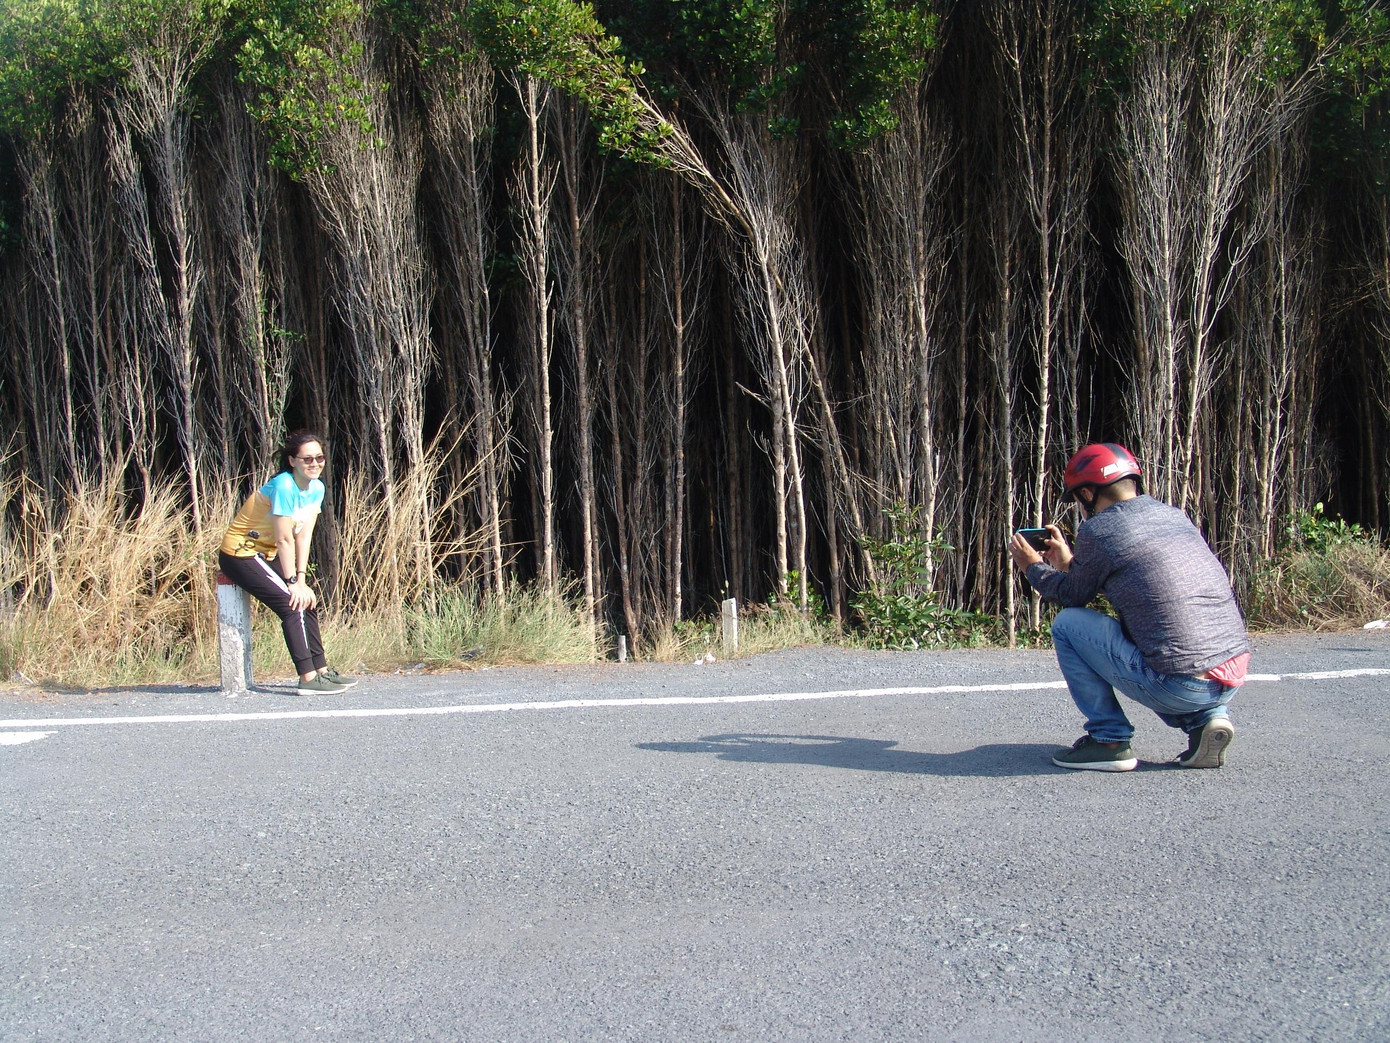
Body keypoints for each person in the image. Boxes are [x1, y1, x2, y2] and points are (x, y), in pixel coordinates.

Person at [1009, 443, 1250, 771]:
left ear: (1089, 493)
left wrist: (1031, 567)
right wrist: (1068, 563)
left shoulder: (1100, 529)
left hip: (1181, 685)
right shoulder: (1173, 516)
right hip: (1230, 676)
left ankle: (1109, 740)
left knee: (1068, 624)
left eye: (1078, 498)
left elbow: (1070, 597)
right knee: (1161, 632)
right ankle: (1207, 721)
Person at [218, 431, 357, 696]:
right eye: (307, 459)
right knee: (290, 604)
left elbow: (303, 536)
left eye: (319, 458)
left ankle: (322, 672)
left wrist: (302, 581)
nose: (314, 464)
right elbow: (284, 538)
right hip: (242, 552)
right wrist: (292, 583)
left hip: (267, 553)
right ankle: (307, 678)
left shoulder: (316, 488)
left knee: (307, 600)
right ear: (292, 461)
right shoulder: (283, 486)